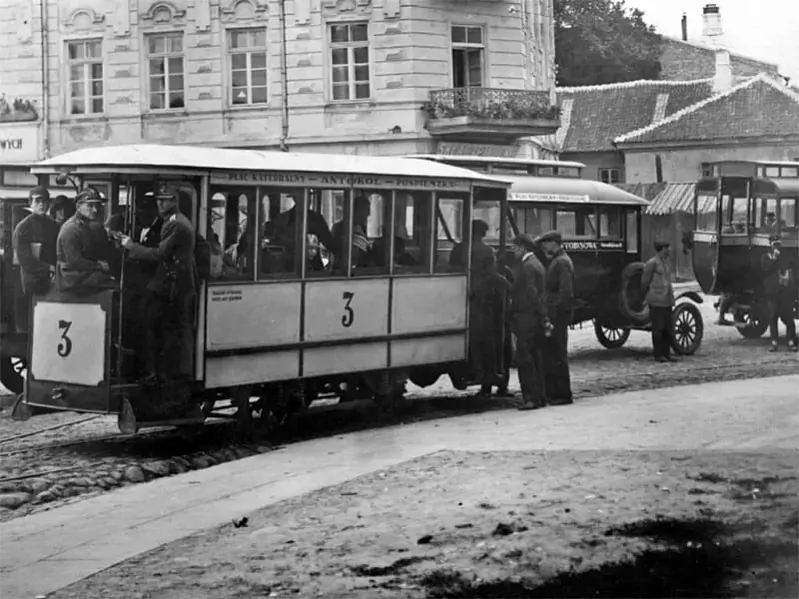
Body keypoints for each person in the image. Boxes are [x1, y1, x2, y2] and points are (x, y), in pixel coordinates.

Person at [118, 184, 198, 382]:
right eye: (158, 200)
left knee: (154, 325)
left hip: (174, 287)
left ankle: (157, 373)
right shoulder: (171, 221)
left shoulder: (176, 224)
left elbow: (159, 254)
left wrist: (131, 246)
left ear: (174, 201)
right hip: (168, 283)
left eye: (165, 200)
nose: (160, 204)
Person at [451, 220, 511, 397]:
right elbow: (492, 275)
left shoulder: (458, 249)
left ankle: (483, 383)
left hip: (461, 299)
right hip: (484, 302)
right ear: (483, 233)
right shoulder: (486, 251)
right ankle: (492, 380)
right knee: (491, 342)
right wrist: (508, 285)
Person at [107, 194, 163, 377]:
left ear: (153, 212)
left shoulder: (162, 230)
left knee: (147, 329)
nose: (139, 216)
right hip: (134, 289)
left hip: (151, 289)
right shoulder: (137, 228)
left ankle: (150, 370)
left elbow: (155, 257)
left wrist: (131, 247)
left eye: (143, 212)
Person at [509, 234, 551, 410]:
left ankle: (531, 398)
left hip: (527, 318)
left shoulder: (527, 267)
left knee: (525, 359)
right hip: (534, 318)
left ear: (523, 248)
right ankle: (540, 396)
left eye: (515, 248)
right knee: (536, 359)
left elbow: (531, 295)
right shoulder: (537, 264)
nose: (514, 251)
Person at [11, 186, 60, 331]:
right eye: (37, 201)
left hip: (55, 281)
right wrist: (49, 268)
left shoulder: (55, 226)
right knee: (33, 326)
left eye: (45, 201)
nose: (41, 204)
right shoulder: (23, 228)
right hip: (32, 283)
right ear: (30, 203)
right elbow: (26, 261)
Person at [55, 189, 117, 294]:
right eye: (90, 206)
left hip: (84, 275)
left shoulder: (89, 226)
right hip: (72, 279)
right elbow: (75, 261)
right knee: (119, 288)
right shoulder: (70, 229)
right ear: (78, 207)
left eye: (97, 206)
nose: (95, 210)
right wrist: (99, 266)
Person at [539, 230, 575, 404]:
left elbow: (565, 292)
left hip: (557, 315)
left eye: (546, 242)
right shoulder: (559, 260)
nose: (544, 246)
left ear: (554, 243)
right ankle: (554, 393)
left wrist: (556, 314)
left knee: (558, 354)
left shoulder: (561, 262)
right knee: (553, 353)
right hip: (555, 313)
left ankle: (562, 394)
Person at [760, 234, 797, 352]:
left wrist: (788, 275)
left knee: (788, 317)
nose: (777, 246)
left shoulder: (785, 256)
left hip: (785, 291)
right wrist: (774, 259)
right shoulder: (765, 257)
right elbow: (765, 269)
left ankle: (791, 341)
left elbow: (792, 266)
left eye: (778, 244)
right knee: (772, 316)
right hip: (772, 292)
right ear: (770, 244)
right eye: (775, 244)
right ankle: (774, 342)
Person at [641, 240, 676, 363]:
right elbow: (645, 282)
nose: (670, 250)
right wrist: (648, 296)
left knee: (668, 328)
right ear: (662, 249)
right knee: (658, 328)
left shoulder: (665, 262)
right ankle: (658, 354)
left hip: (667, 300)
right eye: (668, 248)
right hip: (656, 300)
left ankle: (666, 353)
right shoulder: (652, 263)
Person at [332, 195, 372, 269]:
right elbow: (350, 253)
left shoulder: (361, 228)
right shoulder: (340, 227)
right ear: (359, 210)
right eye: (367, 209)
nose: (369, 214)